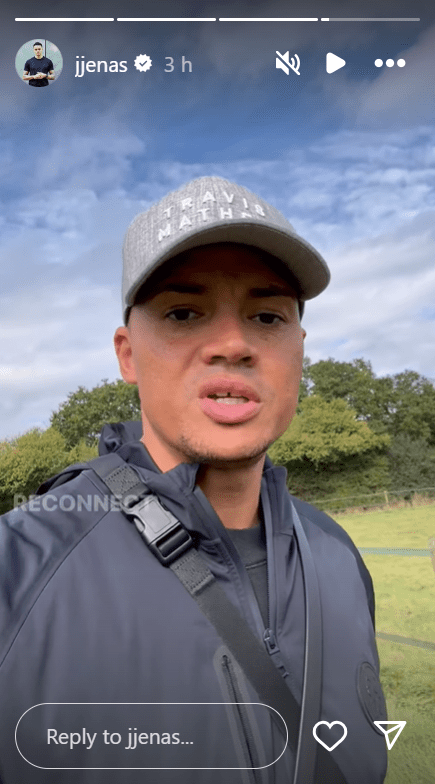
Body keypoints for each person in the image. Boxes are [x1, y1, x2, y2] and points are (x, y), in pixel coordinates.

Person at [0, 177, 388, 784]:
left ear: (299, 351)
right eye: (184, 312)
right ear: (127, 354)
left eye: (266, 316)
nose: (232, 344)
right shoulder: (17, 566)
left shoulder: (337, 553)